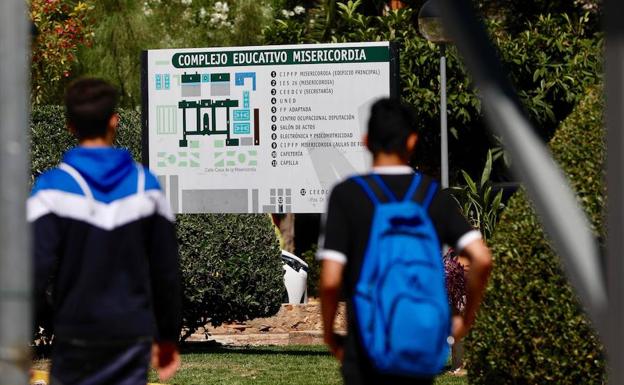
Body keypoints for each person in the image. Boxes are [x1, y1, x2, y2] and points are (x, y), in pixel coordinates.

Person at [318, 98, 492, 385]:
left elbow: (330, 280)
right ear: (412, 142)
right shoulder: (432, 195)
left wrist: (329, 334)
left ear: (366, 141)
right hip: (419, 351)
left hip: (365, 351)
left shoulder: (347, 195)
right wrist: (464, 319)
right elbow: (481, 257)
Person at [28, 78, 182, 384]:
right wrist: (166, 338)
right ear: (114, 121)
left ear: (70, 126)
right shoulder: (145, 187)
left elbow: (30, 273)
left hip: (75, 333)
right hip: (130, 334)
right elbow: (166, 273)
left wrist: (39, 322)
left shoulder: (51, 190)